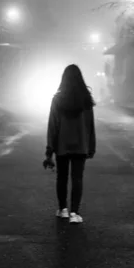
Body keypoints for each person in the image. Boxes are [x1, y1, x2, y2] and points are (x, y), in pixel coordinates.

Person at [43, 64, 96, 224]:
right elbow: (90, 125)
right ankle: (75, 213)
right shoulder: (86, 99)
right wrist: (91, 146)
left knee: (62, 177)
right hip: (81, 145)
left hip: (62, 145)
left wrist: (49, 151)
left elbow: (53, 125)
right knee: (77, 178)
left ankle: (63, 209)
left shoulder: (58, 99)